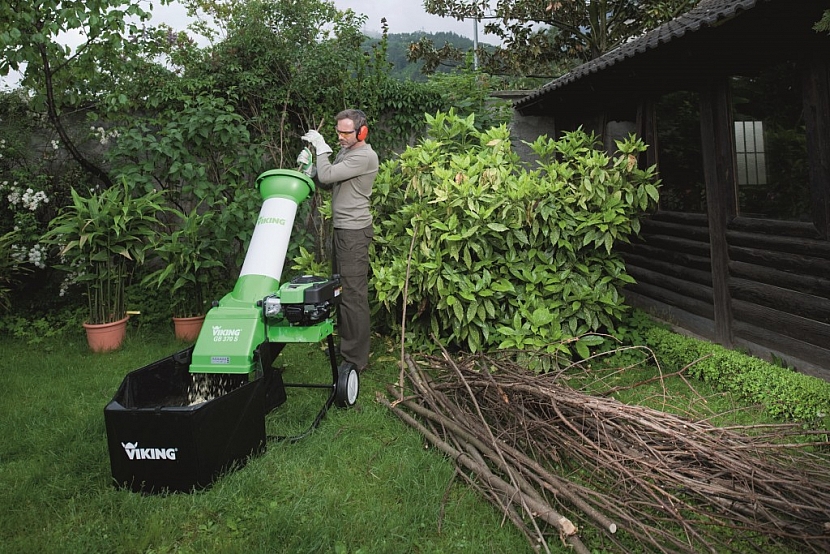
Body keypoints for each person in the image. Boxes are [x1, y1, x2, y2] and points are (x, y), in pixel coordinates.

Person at [300, 109, 378, 371]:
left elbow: (329, 175)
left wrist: (321, 151)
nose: (341, 137)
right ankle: (348, 349)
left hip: (354, 233)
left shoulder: (365, 156)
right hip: (343, 231)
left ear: (362, 131)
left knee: (353, 296)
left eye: (346, 132)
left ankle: (356, 360)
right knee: (342, 291)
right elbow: (327, 181)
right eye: (338, 132)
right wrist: (312, 169)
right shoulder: (347, 152)